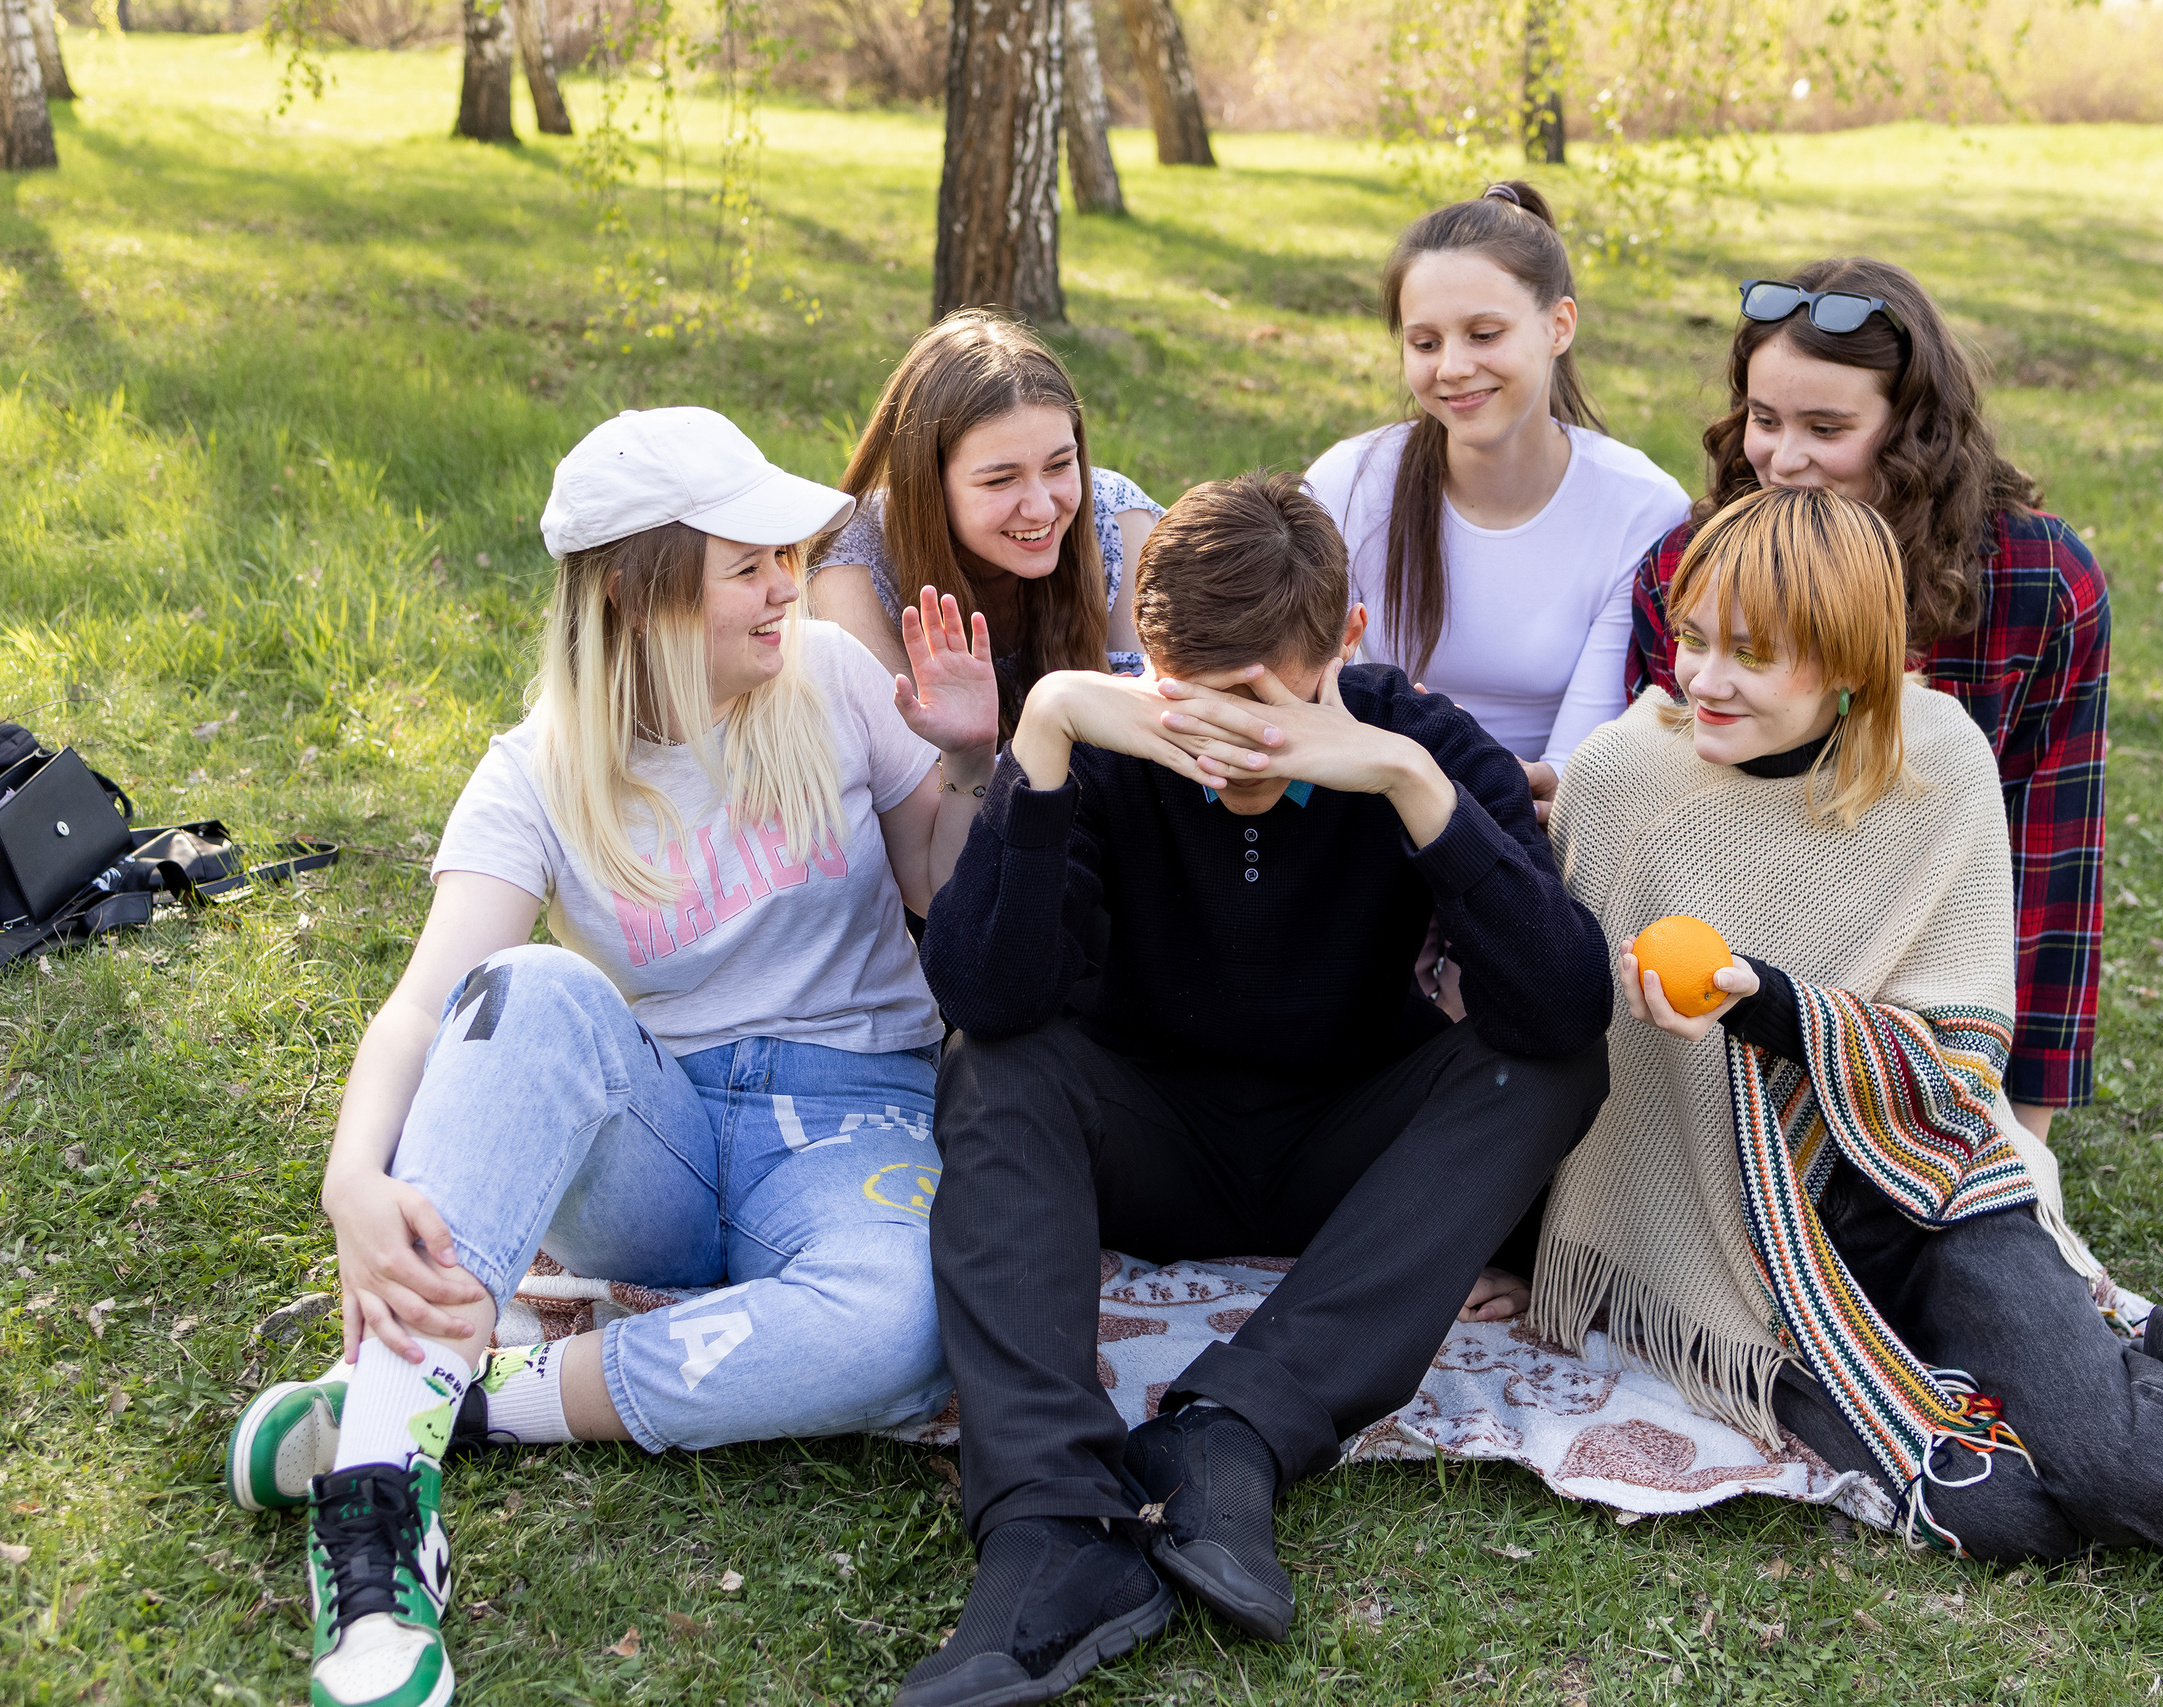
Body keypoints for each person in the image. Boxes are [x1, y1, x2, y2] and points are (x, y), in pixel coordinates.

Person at [1537, 484, 2163, 1565]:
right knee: (1997, 1509)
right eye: (1692, 638)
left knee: (2125, 1468)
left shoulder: (1934, 761)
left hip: (1928, 1190)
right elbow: (1566, 1046)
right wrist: (1513, 1240)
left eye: (1751, 654)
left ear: (1851, 660)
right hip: (1742, 1253)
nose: (1703, 679)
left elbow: (1962, 1060)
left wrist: (1762, 1002)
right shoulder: (1621, 781)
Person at [221, 407, 1001, 1707]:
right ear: (643, 592)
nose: (785, 582)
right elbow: (428, 1004)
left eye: (785, 555)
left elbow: (942, 880)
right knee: (521, 986)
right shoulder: (535, 768)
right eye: (747, 562)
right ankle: (376, 1510)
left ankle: (454, 1400)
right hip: (662, 1138)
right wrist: (353, 1171)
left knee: (911, 1321)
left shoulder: (833, 675)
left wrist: (971, 757)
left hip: (857, 1113)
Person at [895, 472, 1613, 1707]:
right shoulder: (1107, 743)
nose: (1223, 742)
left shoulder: (1416, 743)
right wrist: (1051, 734)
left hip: (1344, 1154)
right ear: (1148, 659)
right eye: (1190, 699)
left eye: (1259, 702)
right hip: (1147, 1143)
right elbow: (989, 997)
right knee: (996, 1061)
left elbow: (1557, 1009)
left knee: (1549, 1053)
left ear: (1345, 640)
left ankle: (1234, 1425)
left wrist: (1408, 787)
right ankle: (1052, 1524)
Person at [1623, 258, 2108, 1138]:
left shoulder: (2039, 585)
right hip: (1727, 1006)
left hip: (1925, 1011)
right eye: (1765, 420)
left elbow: (2050, 873)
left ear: (1913, 432)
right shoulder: (1689, 572)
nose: (1785, 457)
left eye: (1827, 426)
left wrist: (2024, 1142)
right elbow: (1658, 817)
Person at [1305, 181, 1691, 811]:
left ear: (1558, 326)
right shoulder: (1346, 484)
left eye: (1484, 335)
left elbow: (1577, 767)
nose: (1452, 367)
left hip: (1548, 833)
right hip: (1369, 812)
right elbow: (1311, 699)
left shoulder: (1642, 507)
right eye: (1425, 343)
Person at [811, 311, 1162, 727]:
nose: (1043, 509)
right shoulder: (854, 564)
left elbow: (1167, 726)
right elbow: (908, 773)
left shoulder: (1116, 519)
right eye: (1001, 480)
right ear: (928, 485)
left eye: (1058, 465)